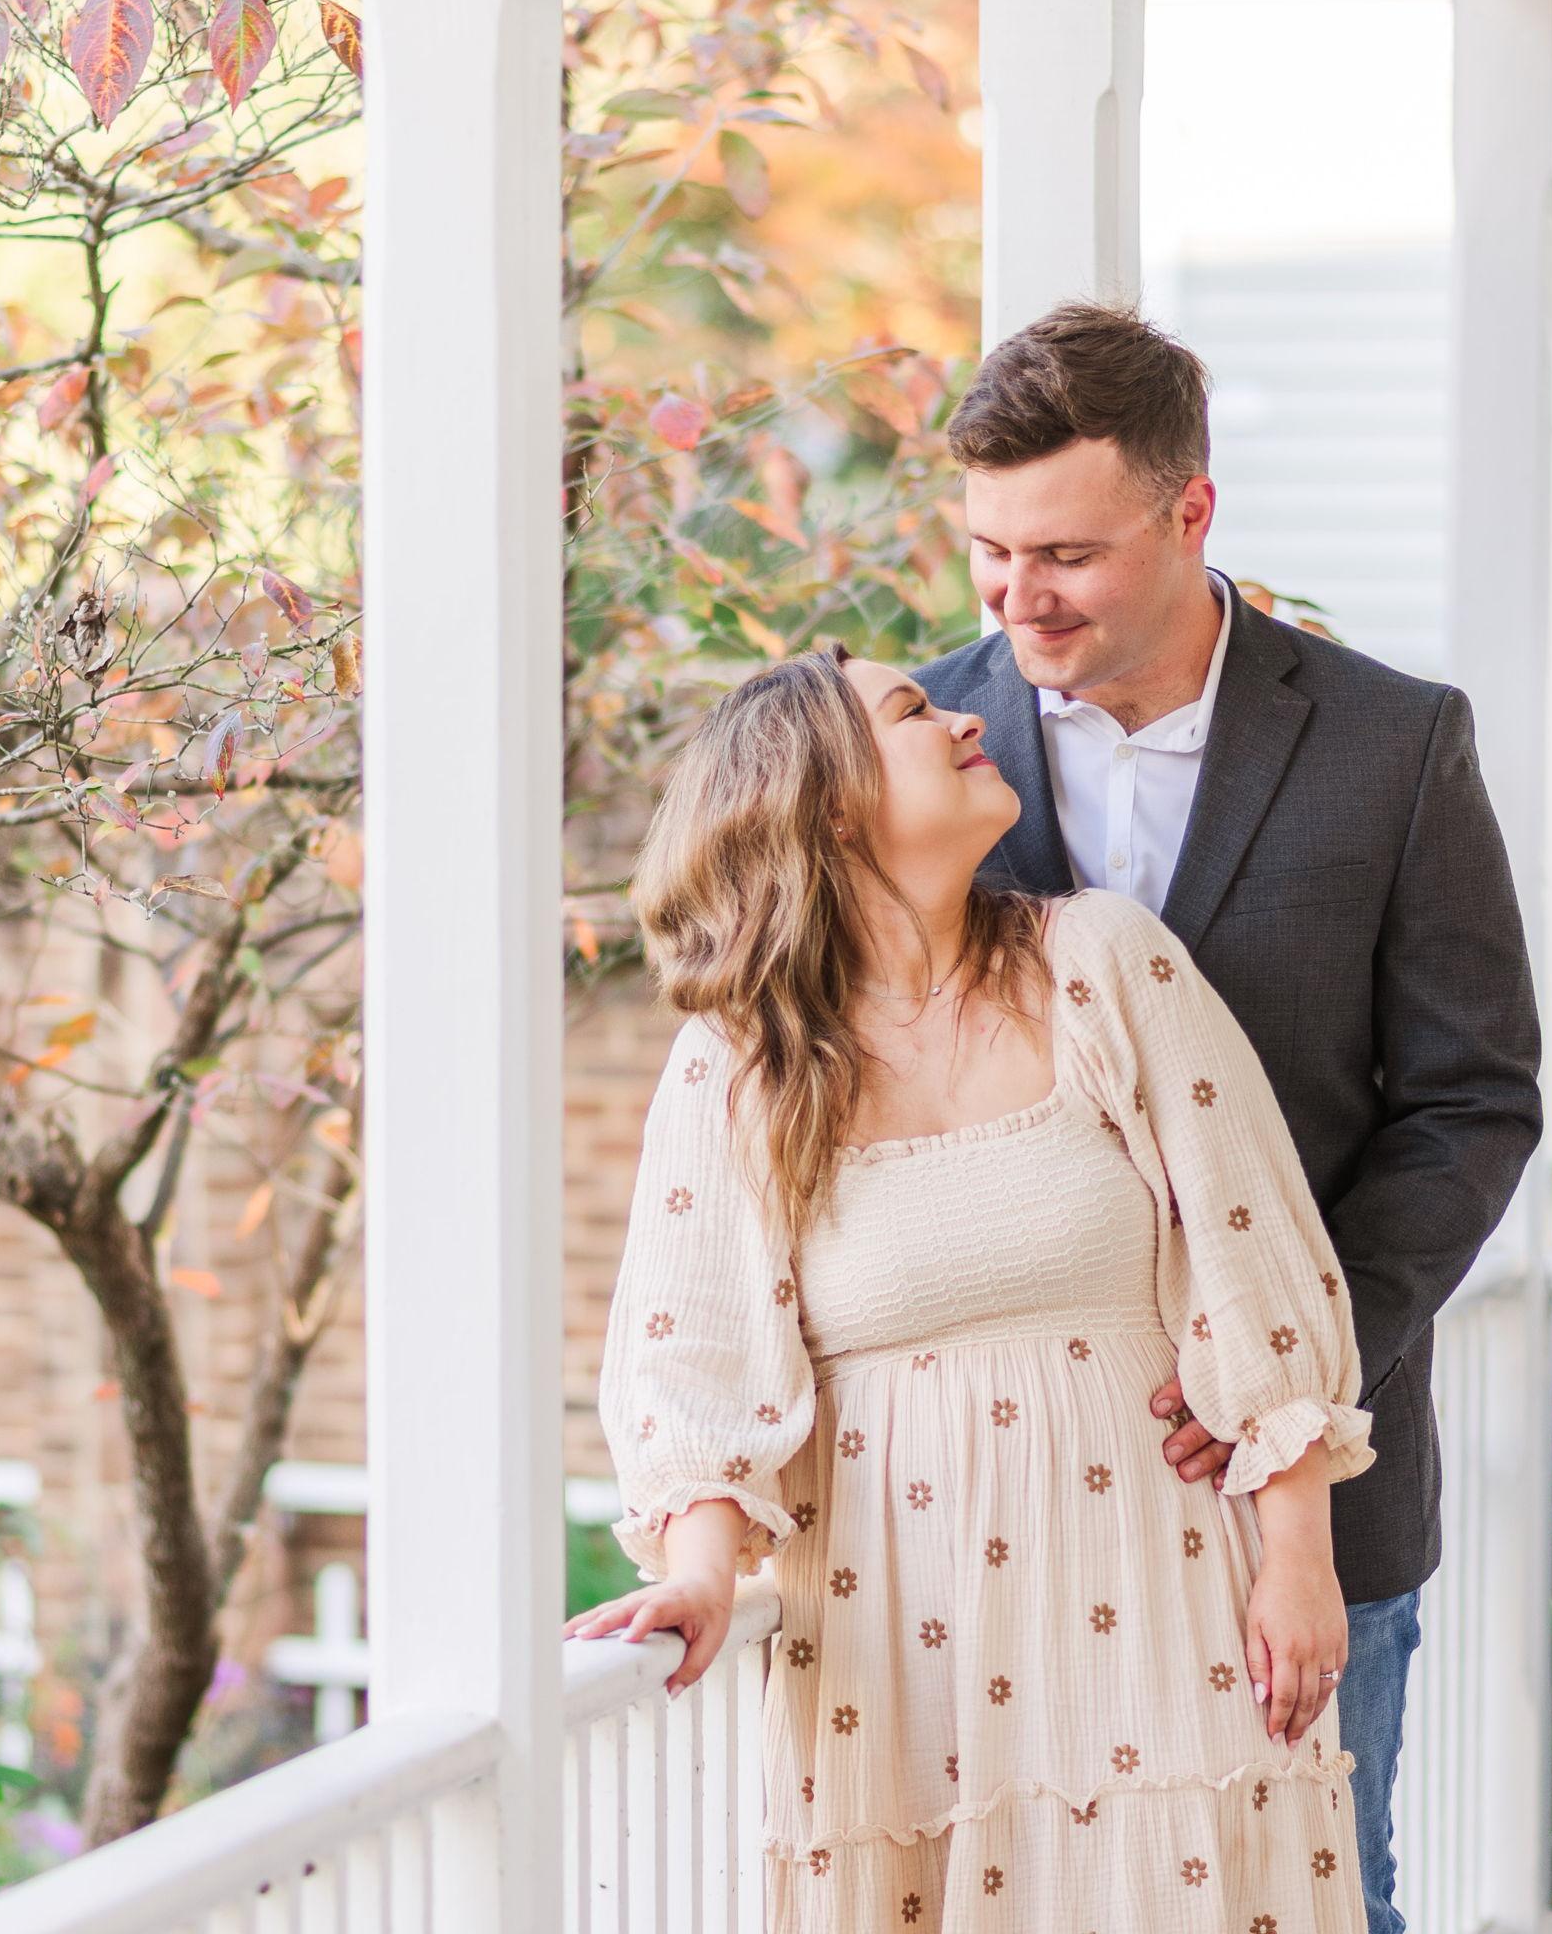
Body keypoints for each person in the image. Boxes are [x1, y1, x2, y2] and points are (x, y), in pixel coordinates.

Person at [567, 641, 1378, 1930]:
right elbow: (693, 1356)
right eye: (910, 712)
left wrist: (1298, 1558)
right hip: (904, 1664)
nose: (961, 716)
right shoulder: (740, 1065)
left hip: (1169, 1613)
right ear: (825, 802)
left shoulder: (1105, 963)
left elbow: (1256, 1260)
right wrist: (705, 1578)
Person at [908, 300, 1545, 1933]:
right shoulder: (903, 751)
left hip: (1314, 1492)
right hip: (997, 1497)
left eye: (1064, 553)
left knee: (1332, 1897)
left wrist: (1295, 1356)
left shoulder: (1400, 744)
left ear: (1192, 514)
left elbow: (1472, 1102)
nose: (1014, 598)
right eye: (988, 549)